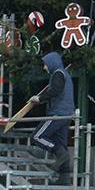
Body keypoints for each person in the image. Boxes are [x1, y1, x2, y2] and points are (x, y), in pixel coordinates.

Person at [26, 50, 75, 179]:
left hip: (58, 113)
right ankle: (64, 178)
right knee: (62, 143)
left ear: (52, 63)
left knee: (36, 136)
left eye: (45, 64)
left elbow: (55, 90)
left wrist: (39, 99)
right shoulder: (65, 75)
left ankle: (59, 153)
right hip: (67, 115)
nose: (44, 67)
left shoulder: (58, 74)